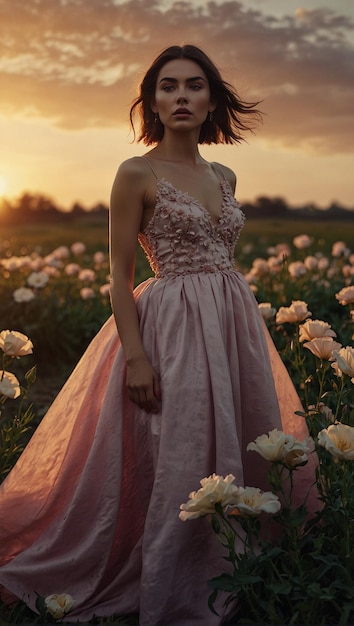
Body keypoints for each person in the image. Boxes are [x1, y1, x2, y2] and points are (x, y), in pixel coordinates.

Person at [0, 45, 315, 625]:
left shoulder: (224, 174)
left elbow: (223, 251)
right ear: (152, 101)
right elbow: (118, 278)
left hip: (233, 319)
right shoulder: (135, 172)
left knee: (239, 429)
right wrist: (138, 359)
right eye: (167, 87)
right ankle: (173, 566)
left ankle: (237, 555)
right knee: (179, 441)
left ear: (213, 99)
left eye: (194, 86)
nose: (181, 97)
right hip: (168, 323)